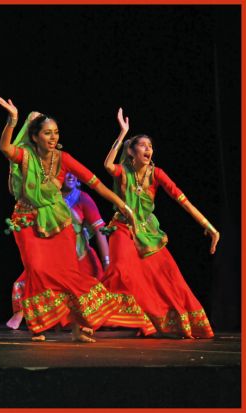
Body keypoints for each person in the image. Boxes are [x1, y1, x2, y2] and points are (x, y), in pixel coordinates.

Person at [0, 97, 154, 342]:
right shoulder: (25, 157)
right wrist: (12, 120)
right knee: (36, 269)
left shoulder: (64, 159)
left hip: (59, 222)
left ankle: (78, 327)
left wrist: (124, 206)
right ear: (35, 136)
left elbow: (97, 183)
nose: (53, 137)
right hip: (26, 219)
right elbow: (5, 149)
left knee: (68, 275)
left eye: (56, 133)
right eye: (47, 133)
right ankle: (38, 324)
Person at [100, 108, 219, 338]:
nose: (148, 149)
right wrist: (122, 133)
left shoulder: (157, 174)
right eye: (143, 145)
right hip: (123, 228)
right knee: (120, 269)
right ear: (132, 152)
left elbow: (183, 200)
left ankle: (152, 322)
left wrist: (209, 226)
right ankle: (92, 316)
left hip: (149, 233)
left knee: (169, 276)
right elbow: (107, 165)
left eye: (150, 146)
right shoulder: (123, 172)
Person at [7, 172, 109, 330]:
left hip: (79, 255)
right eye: (65, 172)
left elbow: (100, 229)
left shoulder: (82, 198)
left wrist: (106, 261)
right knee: (35, 273)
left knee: (79, 287)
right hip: (53, 251)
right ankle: (23, 313)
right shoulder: (47, 200)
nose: (70, 176)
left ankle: (74, 322)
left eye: (74, 173)